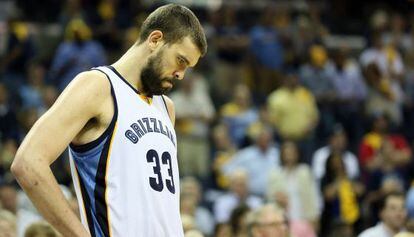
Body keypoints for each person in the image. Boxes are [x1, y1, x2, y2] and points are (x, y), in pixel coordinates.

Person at [11, 4, 207, 237]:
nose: (181, 74)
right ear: (155, 40)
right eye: (181, 60)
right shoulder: (98, 86)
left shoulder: (167, 108)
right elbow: (28, 163)